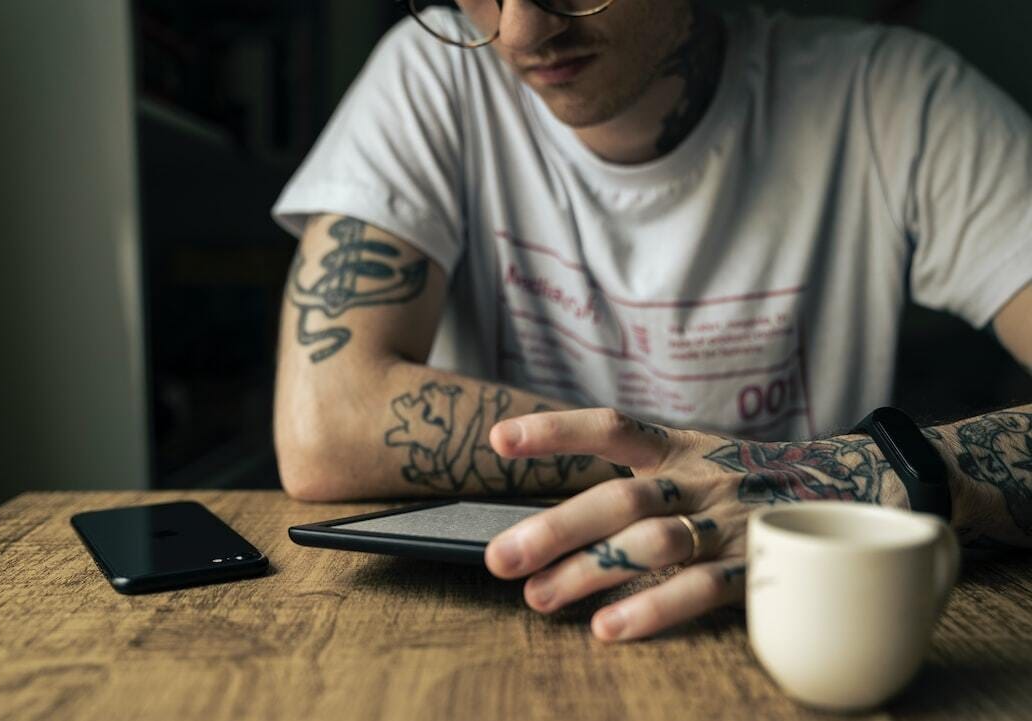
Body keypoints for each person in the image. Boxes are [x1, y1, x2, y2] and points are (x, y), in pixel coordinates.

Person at [271, 0, 1032, 641]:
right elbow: (326, 423)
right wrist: (714, 468)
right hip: (492, 616)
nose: (523, 30)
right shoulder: (433, 77)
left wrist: (858, 476)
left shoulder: (891, 96)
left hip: (805, 618)